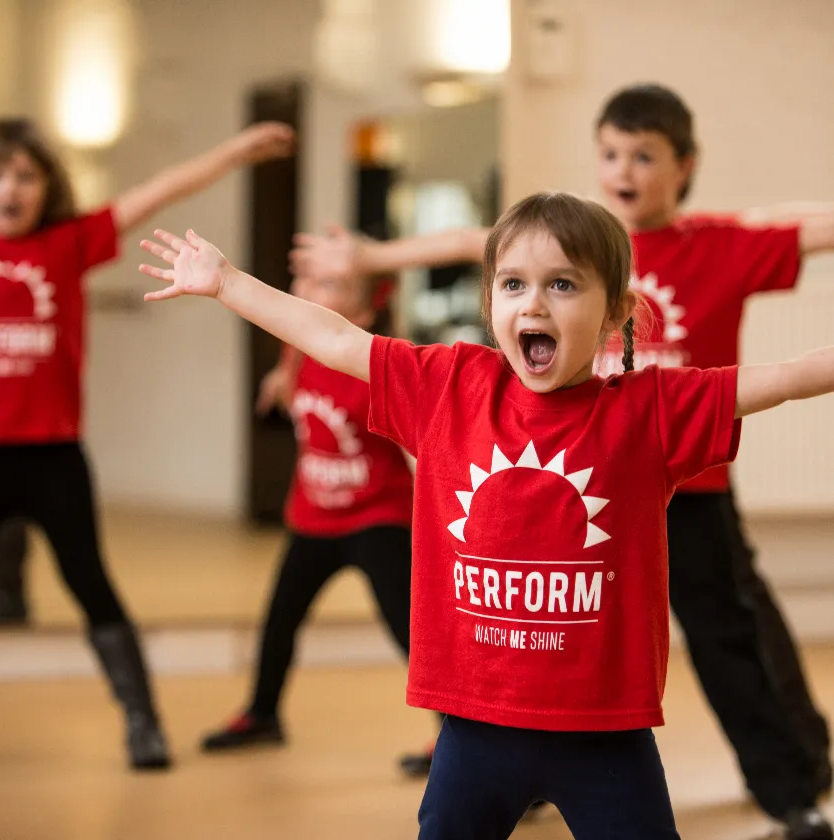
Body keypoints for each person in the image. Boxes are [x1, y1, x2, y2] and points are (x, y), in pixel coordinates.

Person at [138, 190, 834, 839]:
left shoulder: (649, 410)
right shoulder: (449, 387)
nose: (534, 302)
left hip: (605, 734)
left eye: (563, 284)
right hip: (474, 731)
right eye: (514, 284)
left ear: (618, 312)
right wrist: (228, 283)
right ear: (490, 300)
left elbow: (785, 379)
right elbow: (338, 339)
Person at [288, 83, 834, 826]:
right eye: (611, 152)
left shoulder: (715, 257)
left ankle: (790, 791)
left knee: (729, 640)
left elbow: (794, 340)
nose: (624, 168)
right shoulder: (559, 262)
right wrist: (358, 257)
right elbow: (446, 258)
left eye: (644, 155)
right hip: (553, 540)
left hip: (684, 485)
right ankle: (533, 761)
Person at [0, 116, 293, 769]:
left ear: (48, 187)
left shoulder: (69, 242)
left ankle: (142, 720)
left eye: (24, 176)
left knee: (90, 582)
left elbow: (160, 190)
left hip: (51, 456)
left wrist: (236, 148)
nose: (8, 190)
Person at [199, 272, 433, 774]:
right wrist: (279, 382)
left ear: (365, 313)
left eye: (330, 284)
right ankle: (263, 715)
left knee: (410, 631)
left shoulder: (378, 368)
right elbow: (293, 390)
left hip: (378, 515)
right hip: (312, 515)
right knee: (281, 618)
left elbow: (419, 449)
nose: (309, 292)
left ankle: (460, 737)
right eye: (308, 283)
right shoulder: (297, 349)